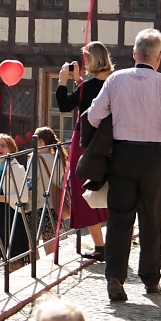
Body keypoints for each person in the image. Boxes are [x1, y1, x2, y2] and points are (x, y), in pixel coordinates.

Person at [87, 29, 161, 301]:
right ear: (159, 56)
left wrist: (116, 119)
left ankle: (114, 277)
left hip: (122, 155)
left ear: (134, 54)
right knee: (151, 220)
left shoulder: (116, 79)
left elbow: (93, 116)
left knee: (120, 218)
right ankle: (151, 280)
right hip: (154, 158)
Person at [56, 42, 114, 261]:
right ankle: (115, 242)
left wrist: (62, 82)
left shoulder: (88, 87)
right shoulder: (115, 82)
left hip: (85, 141)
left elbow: (64, 105)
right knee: (111, 188)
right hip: (111, 140)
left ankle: (100, 246)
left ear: (91, 60)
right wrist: (80, 82)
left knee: (84, 189)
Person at [0, 134, 30, 271]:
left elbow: (23, 197)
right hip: (1, 218)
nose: (0, 148)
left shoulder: (16, 168)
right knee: (8, 262)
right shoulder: (1, 168)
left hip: (13, 217)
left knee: (15, 261)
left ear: (11, 148)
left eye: (4, 145)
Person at [29, 127, 68, 256]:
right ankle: (52, 263)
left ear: (40, 141)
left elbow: (29, 181)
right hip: (54, 204)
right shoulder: (58, 158)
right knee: (50, 245)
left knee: (32, 244)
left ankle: (36, 266)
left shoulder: (35, 158)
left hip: (38, 204)